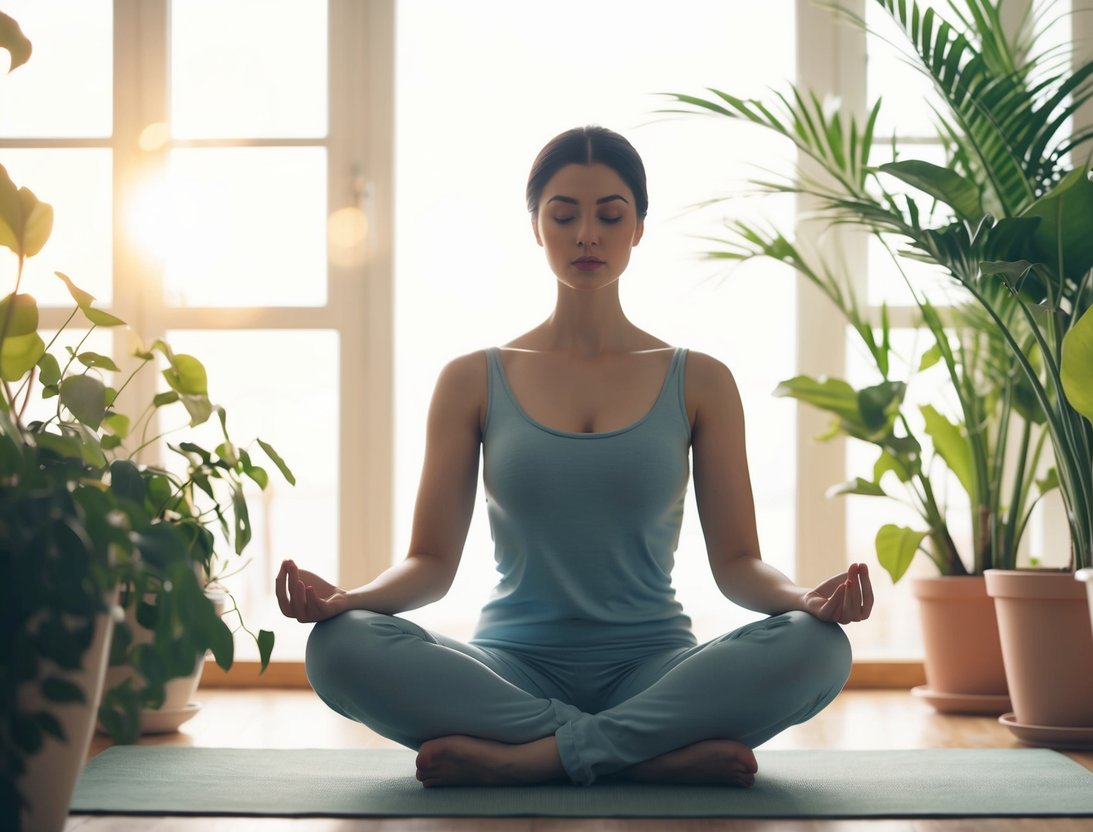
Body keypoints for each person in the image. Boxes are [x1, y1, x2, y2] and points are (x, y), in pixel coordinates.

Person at [276, 125, 873, 789]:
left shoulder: (700, 380)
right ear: (536, 226)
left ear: (638, 227)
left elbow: (737, 565)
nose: (586, 233)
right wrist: (347, 599)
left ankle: (530, 758)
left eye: (609, 215)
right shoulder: (472, 379)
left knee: (817, 648)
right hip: (509, 668)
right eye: (564, 214)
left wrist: (804, 600)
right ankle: (649, 754)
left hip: (655, 668)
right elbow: (430, 565)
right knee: (339, 648)